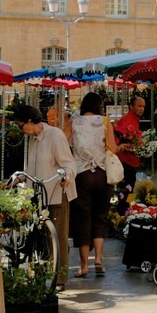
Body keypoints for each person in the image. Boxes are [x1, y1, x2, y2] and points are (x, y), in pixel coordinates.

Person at [12, 105, 77, 289]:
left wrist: (66, 176)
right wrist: (18, 179)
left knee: (58, 237)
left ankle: (60, 279)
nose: (20, 129)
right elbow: (31, 168)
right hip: (38, 195)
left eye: (20, 125)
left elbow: (69, 164)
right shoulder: (33, 139)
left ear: (31, 121)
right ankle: (39, 272)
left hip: (56, 192)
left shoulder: (55, 135)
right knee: (38, 236)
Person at [63, 92, 118, 278]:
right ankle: (99, 260)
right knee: (100, 216)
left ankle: (84, 265)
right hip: (102, 173)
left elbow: (63, 141)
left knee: (82, 218)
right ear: (99, 106)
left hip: (81, 174)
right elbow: (113, 147)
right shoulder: (104, 121)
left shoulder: (74, 121)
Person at [113, 96, 145, 191]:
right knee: (126, 190)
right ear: (131, 106)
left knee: (129, 190)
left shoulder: (134, 119)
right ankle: (124, 206)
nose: (142, 109)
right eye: (139, 106)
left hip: (132, 161)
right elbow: (117, 141)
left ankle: (127, 205)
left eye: (143, 106)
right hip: (126, 162)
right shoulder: (126, 120)